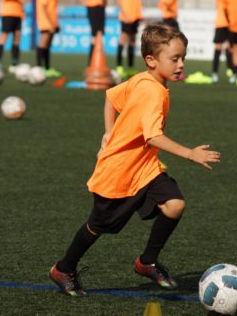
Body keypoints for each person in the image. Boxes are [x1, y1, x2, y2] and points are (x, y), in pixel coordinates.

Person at [48, 23, 220, 296]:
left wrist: (108, 132)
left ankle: (147, 262)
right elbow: (153, 136)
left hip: (145, 167)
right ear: (151, 60)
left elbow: (110, 97)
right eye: (174, 59)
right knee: (98, 225)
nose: (181, 64)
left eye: (183, 58)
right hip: (119, 170)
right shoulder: (150, 90)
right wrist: (190, 153)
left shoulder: (144, 79)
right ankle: (63, 268)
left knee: (174, 205)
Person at [114, 0, 143, 79]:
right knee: (123, 38)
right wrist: (124, 14)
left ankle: (131, 67)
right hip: (126, 15)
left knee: (133, 40)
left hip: (136, 15)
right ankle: (119, 67)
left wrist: (140, 13)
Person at [36, 0, 61, 78]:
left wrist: (55, 23)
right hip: (45, 21)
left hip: (51, 21)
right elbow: (44, 7)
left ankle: (47, 68)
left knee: (47, 45)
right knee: (43, 43)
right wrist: (50, 23)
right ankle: (38, 68)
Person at [211, 0, 232, 83]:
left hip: (226, 23)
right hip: (223, 23)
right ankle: (215, 73)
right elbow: (224, 8)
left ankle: (230, 72)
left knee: (228, 47)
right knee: (219, 48)